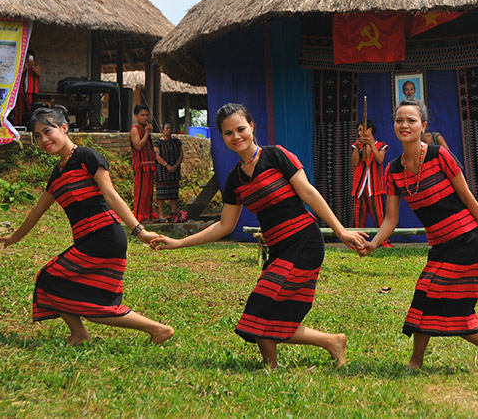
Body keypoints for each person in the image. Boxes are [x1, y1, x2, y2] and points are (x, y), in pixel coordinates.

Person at [150, 103, 366, 369]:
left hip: (304, 241)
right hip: (277, 249)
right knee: (257, 319)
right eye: (228, 133)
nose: (236, 136)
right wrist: (179, 243)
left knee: (259, 311)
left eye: (241, 129)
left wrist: (340, 230)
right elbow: (224, 225)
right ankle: (323, 344)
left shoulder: (276, 156)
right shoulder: (234, 180)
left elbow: (308, 193)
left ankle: (275, 366)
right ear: (222, 137)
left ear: (252, 126)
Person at [0, 106, 174, 345]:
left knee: (88, 301)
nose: (43, 139)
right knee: (52, 281)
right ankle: (80, 334)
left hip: (105, 236)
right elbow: (38, 210)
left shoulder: (86, 157)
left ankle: (158, 329)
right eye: (37, 136)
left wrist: (139, 231)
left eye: (47, 131)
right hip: (86, 239)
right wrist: (14, 237)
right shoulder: (57, 173)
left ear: (64, 128)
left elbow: (111, 195)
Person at [359, 99, 478, 372]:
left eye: (411, 120)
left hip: (464, 237)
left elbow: (468, 197)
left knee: (442, 299)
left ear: (423, 126)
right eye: (399, 120)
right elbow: (390, 220)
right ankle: (417, 361)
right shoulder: (393, 171)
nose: (404, 125)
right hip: (439, 243)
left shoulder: (440, 155)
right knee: (425, 297)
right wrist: (374, 243)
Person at [350, 119, 388, 234]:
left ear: (369, 130)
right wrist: (357, 147)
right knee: (359, 218)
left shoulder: (381, 145)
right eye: (358, 130)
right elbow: (355, 162)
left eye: (361, 130)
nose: (359, 133)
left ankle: (383, 241)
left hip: (374, 187)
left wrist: (371, 144)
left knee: (379, 216)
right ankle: (358, 241)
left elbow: (379, 159)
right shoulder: (356, 145)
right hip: (359, 187)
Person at [130, 104, 158, 222]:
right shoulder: (135, 129)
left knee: (148, 193)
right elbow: (138, 146)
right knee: (141, 192)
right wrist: (147, 133)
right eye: (142, 115)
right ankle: (139, 215)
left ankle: (148, 214)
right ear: (136, 116)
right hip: (141, 165)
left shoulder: (145, 128)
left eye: (147, 115)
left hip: (149, 165)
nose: (145, 117)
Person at [154, 121, 184, 219]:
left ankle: (174, 213)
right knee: (161, 194)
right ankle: (161, 214)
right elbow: (157, 156)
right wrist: (167, 165)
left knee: (173, 193)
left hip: (174, 170)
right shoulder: (158, 143)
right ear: (162, 130)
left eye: (170, 128)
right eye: (167, 128)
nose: (169, 130)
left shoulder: (176, 142)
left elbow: (181, 155)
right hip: (162, 171)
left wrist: (175, 165)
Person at [15, 49, 41, 125]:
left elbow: (39, 73)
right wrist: (25, 66)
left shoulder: (36, 66)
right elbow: (17, 74)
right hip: (20, 91)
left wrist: (32, 65)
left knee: (31, 110)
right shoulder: (21, 66)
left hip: (31, 91)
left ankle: (31, 125)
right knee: (18, 111)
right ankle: (18, 125)